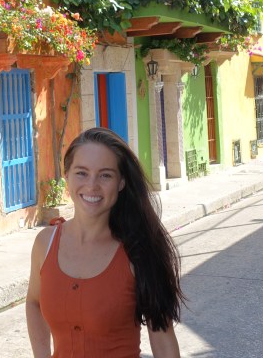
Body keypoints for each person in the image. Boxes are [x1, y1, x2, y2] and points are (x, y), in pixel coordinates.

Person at [26, 127, 183, 358]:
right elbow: (34, 302)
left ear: (121, 183)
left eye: (105, 175)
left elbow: (163, 341)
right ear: (67, 174)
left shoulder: (139, 252)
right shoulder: (44, 244)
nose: (92, 185)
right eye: (81, 172)